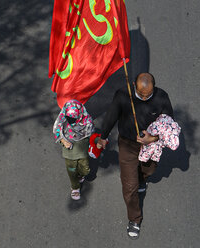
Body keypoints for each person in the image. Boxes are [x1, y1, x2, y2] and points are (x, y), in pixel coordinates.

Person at [97, 72, 173, 239]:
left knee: (150, 171)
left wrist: (152, 138)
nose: (144, 98)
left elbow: (170, 126)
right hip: (127, 145)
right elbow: (111, 116)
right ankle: (134, 219)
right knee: (130, 187)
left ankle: (142, 179)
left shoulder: (162, 97)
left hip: (151, 146)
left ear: (155, 87)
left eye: (148, 95)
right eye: (140, 94)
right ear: (133, 85)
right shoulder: (123, 95)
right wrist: (103, 137)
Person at [53, 99, 94, 200]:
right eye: (69, 118)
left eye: (73, 118)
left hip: (82, 150)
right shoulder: (63, 118)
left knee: (85, 169)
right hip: (69, 152)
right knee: (71, 171)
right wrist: (62, 140)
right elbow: (56, 130)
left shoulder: (87, 121)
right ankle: (75, 187)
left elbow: (91, 135)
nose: (71, 120)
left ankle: (81, 175)